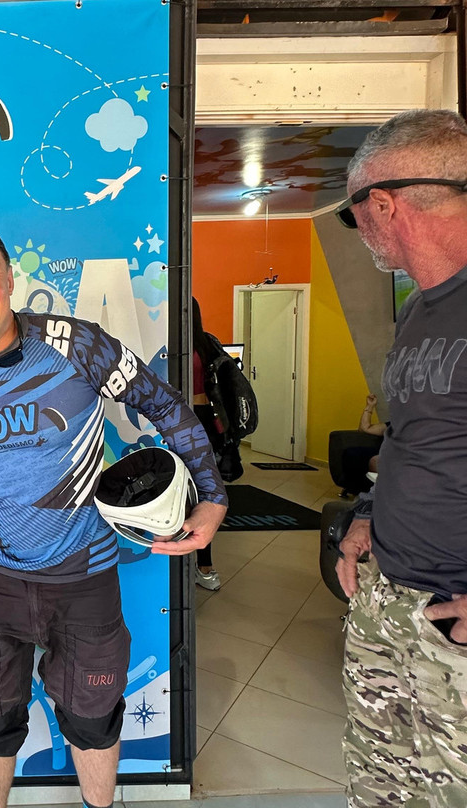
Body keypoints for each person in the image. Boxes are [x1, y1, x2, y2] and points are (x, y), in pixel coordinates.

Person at [0, 222, 227, 808]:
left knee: (93, 716)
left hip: (85, 575)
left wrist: (213, 497)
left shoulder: (76, 344)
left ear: (10, 280)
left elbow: (163, 403)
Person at [333, 109, 467, 807]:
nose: (359, 233)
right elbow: (411, 434)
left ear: (382, 204)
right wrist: (367, 515)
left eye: (353, 216)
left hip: (454, 620)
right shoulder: (420, 308)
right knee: (382, 783)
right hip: (391, 597)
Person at [191, 297, 228, 590]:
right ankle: (204, 567)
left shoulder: (187, 346)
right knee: (202, 490)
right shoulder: (205, 344)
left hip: (189, 420)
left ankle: (202, 565)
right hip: (203, 420)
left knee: (197, 491)